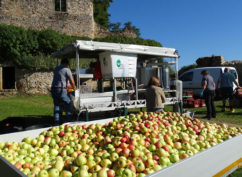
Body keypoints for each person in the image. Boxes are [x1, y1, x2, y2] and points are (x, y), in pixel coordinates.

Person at [51, 58, 76, 125]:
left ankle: (56, 122)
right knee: (69, 103)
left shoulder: (56, 68)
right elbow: (72, 82)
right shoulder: (66, 69)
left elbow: (61, 78)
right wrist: (75, 89)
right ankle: (69, 121)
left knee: (57, 105)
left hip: (53, 88)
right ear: (67, 64)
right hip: (61, 89)